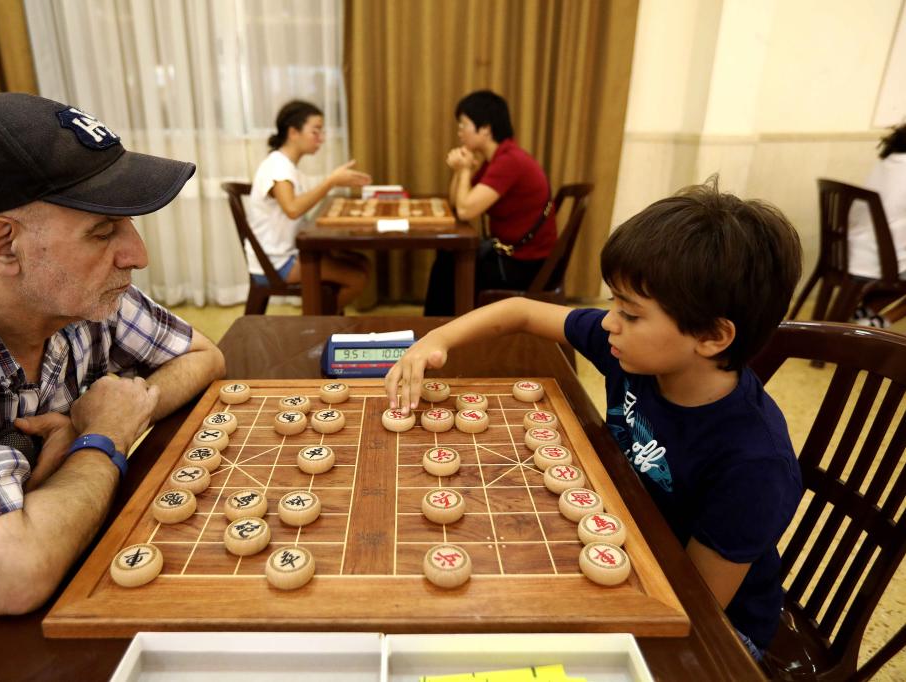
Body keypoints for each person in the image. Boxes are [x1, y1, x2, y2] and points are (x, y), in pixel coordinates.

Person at [0, 92, 226, 679]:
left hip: (71, 581)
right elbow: (12, 578)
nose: (136, 253)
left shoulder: (79, 293)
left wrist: (122, 408)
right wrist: (103, 438)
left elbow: (202, 355)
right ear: (2, 244)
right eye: (103, 230)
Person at [388, 180, 804, 660]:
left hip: (719, 627)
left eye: (629, 312)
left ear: (711, 336)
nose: (608, 322)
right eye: (613, 303)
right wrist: (433, 341)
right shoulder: (634, 353)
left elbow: (695, 607)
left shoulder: (754, 465)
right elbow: (521, 311)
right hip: (627, 524)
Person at [424, 90, 557, 316]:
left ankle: (438, 330)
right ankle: (438, 329)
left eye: (463, 125)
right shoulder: (496, 160)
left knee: (449, 266)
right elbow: (457, 204)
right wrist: (460, 171)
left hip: (526, 265)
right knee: (448, 257)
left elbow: (465, 211)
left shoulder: (509, 161)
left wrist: (465, 169)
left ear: (485, 128)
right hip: (514, 256)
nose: (459, 133)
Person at [246, 99, 371, 310]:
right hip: (277, 262)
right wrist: (331, 181)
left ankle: (323, 317)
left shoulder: (289, 167)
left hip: (287, 253)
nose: (321, 139)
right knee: (356, 277)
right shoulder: (278, 166)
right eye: (316, 131)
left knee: (363, 264)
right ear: (293, 132)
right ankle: (319, 323)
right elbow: (293, 209)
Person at [847, 121, 906, 327]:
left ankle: (868, 312)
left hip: (850, 250)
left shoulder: (887, 163)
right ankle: (882, 321)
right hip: (880, 259)